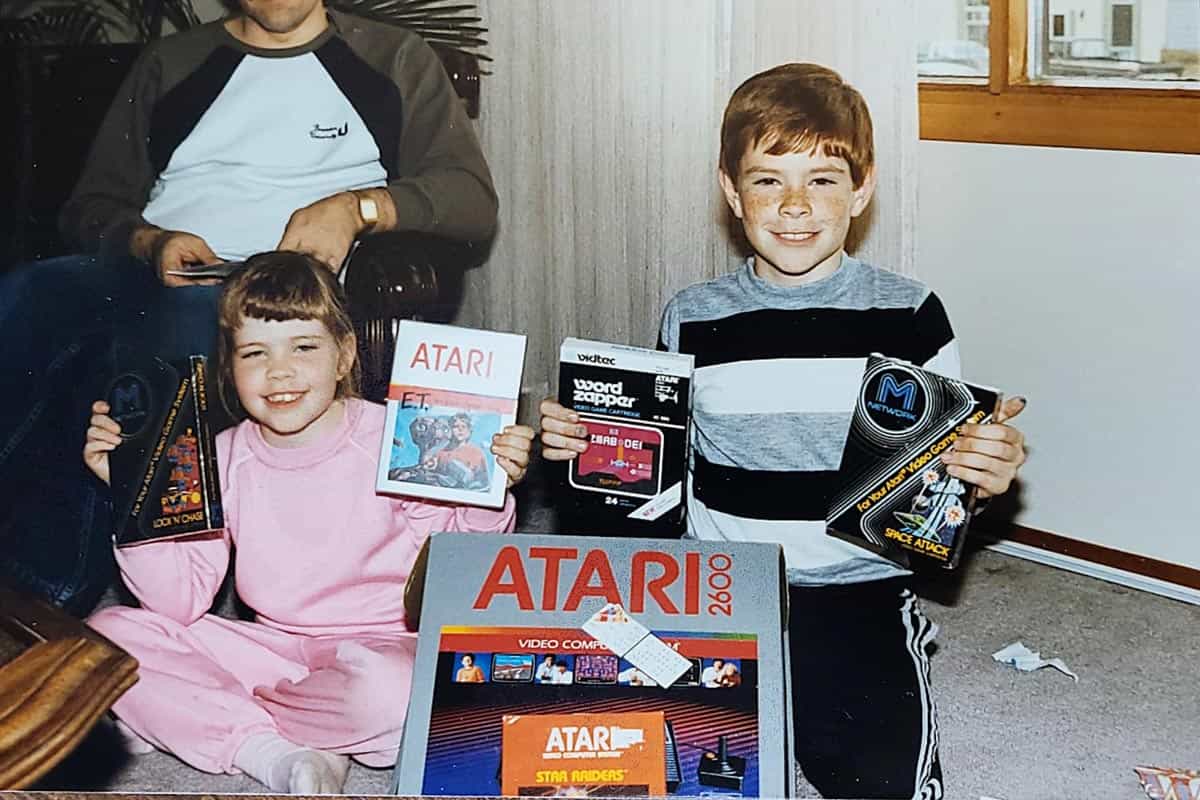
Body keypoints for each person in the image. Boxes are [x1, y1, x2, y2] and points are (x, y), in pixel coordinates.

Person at [539, 63, 1028, 799]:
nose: (795, 204)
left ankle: (874, 667)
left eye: (823, 180)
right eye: (768, 180)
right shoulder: (693, 314)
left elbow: (939, 485)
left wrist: (983, 472)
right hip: (719, 587)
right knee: (656, 761)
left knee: (876, 780)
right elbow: (661, 473)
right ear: (732, 193)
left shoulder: (909, 312)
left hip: (857, 587)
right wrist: (586, 453)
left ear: (861, 190)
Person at [0, 0, 497, 615]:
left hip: (270, 300)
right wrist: (149, 241)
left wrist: (356, 208)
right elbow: (90, 204)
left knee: (151, 365)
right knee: (25, 295)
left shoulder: (391, 57)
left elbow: (470, 197)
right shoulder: (174, 61)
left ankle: (49, 595)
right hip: (153, 268)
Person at [83, 253, 531, 794]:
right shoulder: (217, 458)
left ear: (344, 356)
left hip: (386, 646)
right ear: (229, 368)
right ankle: (279, 745)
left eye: (303, 347)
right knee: (109, 641)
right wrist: (139, 495)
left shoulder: (401, 438)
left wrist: (487, 490)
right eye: (254, 353)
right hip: (273, 652)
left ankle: (221, 722)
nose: (279, 372)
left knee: (402, 694)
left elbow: (455, 575)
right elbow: (178, 604)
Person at [427, 413, 490, 490]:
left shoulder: (477, 453)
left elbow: (484, 482)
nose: (460, 430)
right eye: (456, 426)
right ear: (449, 430)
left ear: (470, 431)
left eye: (464, 426)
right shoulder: (440, 453)